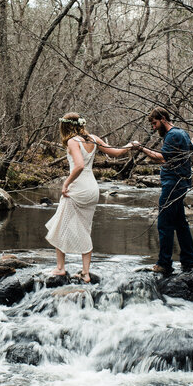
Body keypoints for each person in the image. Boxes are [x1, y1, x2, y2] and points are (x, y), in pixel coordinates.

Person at [45, 112, 133, 283]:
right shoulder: (93, 138)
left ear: (65, 126)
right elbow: (115, 153)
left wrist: (65, 183)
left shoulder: (72, 141)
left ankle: (60, 268)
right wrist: (130, 145)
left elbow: (79, 165)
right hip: (92, 188)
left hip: (77, 187)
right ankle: (85, 273)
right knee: (85, 228)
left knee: (60, 225)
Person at [130, 107, 193, 275]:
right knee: (180, 223)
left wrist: (141, 148)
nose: (153, 128)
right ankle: (189, 261)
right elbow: (188, 149)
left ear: (163, 118)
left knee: (164, 224)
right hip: (180, 184)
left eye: (154, 123)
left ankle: (164, 263)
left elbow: (161, 157)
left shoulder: (172, 135)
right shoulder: (181, 133)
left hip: (173, 184)